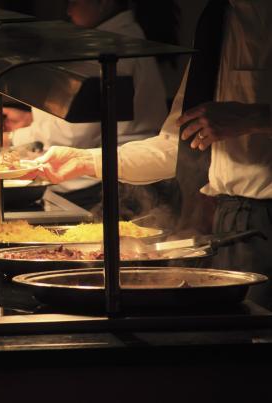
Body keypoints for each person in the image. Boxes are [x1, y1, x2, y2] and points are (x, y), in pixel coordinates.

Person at [31, 0, 272, 308]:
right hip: (230, 219)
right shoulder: (219, 18)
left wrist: (256, 117)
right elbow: (175, 145)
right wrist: (84, 160)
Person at [3, 0, 172, 214]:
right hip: (110, 173)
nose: (68, 10)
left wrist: (13, 138)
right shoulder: (108, 37)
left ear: (104, 3)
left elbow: (74, 134)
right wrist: (28, 120)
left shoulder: (111, 45)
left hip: (120, 181)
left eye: (74, 1)